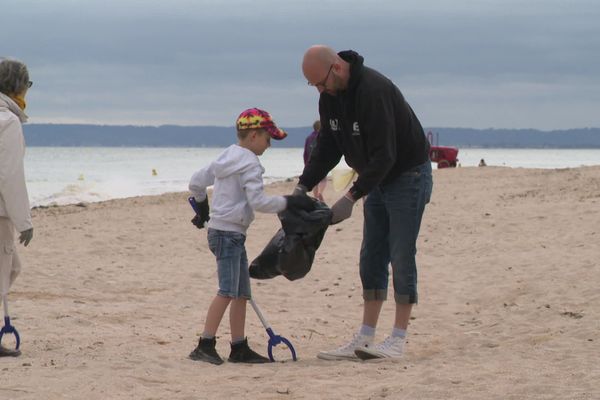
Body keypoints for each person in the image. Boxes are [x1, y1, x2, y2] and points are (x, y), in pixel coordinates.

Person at [295, 45, 433, 360]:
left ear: (337, 68)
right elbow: (328, 146)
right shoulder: (329, 96)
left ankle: (397, 338)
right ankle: (366, 336)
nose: (319, 90)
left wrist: (352, 196)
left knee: (400, 253)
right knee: (371, 256)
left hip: (407, 175)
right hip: (377, 178)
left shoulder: (374, 91)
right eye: (313, 86)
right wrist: (302, 186)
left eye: (320, 83)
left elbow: (387, 153)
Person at [187, 107, 315, 365]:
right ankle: (205, 344)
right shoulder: (250, 163)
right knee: (226, 291)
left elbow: (196, 182)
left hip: (225, 232)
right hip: (228, 235)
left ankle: (238, 347)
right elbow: (259, 202)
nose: (269, 145)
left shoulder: (226, 155)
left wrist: (202, 207)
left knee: (242, 292)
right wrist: (290, 202)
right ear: (255, 136)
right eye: (269, 139)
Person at [0, 58, 34, 358]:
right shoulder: (8, 122)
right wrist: (24, 221)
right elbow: (10, 176)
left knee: (11, 268)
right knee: (7, 269)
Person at [303, 120, 327, 201]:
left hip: (311, 162)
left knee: (314, 180)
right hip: (322, 161)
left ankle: (316, 197)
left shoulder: (308, 138)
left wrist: (306, 164)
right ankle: (320, 192)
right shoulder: (323, 137)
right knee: (323, 179)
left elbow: (305, 152)